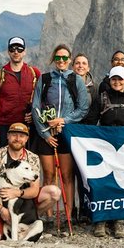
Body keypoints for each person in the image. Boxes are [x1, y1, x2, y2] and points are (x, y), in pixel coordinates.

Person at [31, 43, 90, 227]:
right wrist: (44, 133)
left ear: (69, 60)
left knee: (66, 175)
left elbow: (83, 108)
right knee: (48, 174)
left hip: (66, 132)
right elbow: (35, 106)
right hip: (47, 135)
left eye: (65, 58)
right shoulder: (45, 78)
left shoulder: (76, 80)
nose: (62, 61)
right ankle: (49, 215)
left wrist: (63, 120)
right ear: (54, 59)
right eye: (58, 58)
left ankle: (69, 214)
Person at [93, 65, 124, 239]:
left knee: (123, 182)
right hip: (105, 148)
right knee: (104, 182)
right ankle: (101, 220)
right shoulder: (101, 98)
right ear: (109, 80)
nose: (117, 82)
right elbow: (92, 123)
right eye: (114, 79)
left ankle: (120, 221)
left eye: (120, 79)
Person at [0, 122, 46, 243]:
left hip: (20, 203)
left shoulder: (32, 158)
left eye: (22, 136)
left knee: (53, 192)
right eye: (14, 135)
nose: (18, 139)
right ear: (8, 136)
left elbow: (34, 190)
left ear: (26, 139)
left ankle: (25, 220)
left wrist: (17, 192)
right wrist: (1, 210)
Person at [0, 36, 40, 148]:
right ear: (8, 52)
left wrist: (35, 115)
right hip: (6, 127)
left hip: (29, 126)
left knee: (28, 162)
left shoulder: (34, 73)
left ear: (24, 52)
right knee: (6, 162)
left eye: (19, 49)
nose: (16, 52)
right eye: (12, 49)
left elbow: (42, 99)